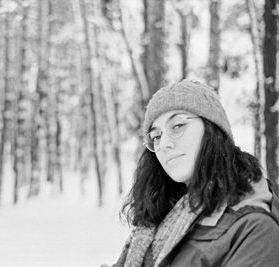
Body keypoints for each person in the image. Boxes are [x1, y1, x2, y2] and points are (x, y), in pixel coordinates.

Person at [111, 80, 279, 267]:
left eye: (177, 126)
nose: (164, 143)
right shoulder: (162, 214)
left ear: (212, 129)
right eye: (156, 136)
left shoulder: (254, 230)